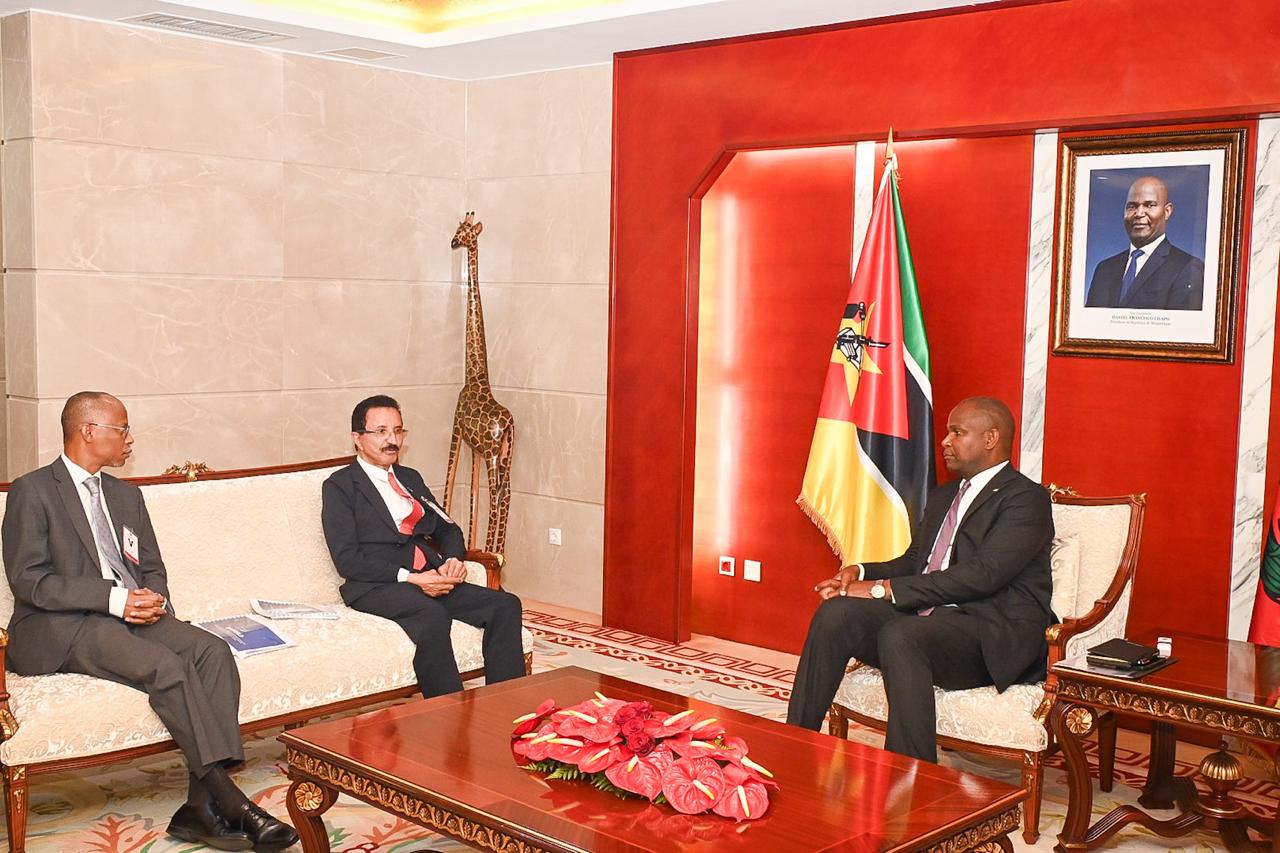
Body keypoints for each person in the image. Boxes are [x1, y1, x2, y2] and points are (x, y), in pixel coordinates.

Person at [1, 392, 298, 851]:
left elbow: (152, 566)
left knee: (212, 652)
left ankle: (199, 807)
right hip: (64, 625)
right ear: (88, 431)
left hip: (133, 614)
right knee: (166, 668)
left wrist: (152, 598)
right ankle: (231, 802)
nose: (130, 439)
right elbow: (30, 581)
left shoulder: (126, 495)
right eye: (122, 428)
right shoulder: (33, 490)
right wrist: (114, 599)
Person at [785, 396, 1054, 763]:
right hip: (931, 622)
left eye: (957, 433)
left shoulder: (1026, 499)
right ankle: (795, 742)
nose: (945, 441)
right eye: (947, 433)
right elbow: (917, 562)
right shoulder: (945, 495)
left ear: (991, 438)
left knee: (903, 634)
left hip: (988, 634)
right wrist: (860, 573)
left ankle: (912, 773)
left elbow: (983, 575)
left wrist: (882, 590)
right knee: (837, 613)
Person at [321, 394, 525, 698]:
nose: (392, 440)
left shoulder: (409, 478)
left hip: (431, 577)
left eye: (398, 431)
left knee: (505, 605)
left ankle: (504, 706)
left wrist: (453, 560)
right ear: (357, 439)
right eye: (381, 432)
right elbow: (347, 560)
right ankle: (447, 711)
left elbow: (447, 528)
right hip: (378, 585)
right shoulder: (340, 486)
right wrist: (412, 578)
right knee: (432, 615)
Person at [1084, 175, 1205, 310]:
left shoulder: (1188, 268)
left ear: (1167, 211)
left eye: (1149, 205)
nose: (1139, 213)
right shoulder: (1104, 269)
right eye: (1132, 206)